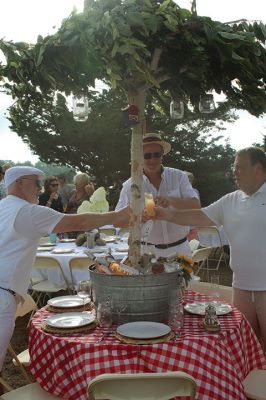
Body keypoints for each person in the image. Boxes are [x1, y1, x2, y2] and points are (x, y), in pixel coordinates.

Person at [0, 166, 129, 381]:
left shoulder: (3, 207)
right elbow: (78, 222)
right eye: (36, 183)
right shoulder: (26, 211)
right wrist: (117, 216)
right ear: (20, 184)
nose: (40, 189)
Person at [149, 147, 266, 350]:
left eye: (239, 168)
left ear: (257, 169)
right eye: (234, 168)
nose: (234, 173)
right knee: (247, 347)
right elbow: (198, 216)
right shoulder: (231, 200)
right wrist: (165, 214)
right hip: (241, 287)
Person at [116, 133, 200, 257]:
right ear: (139, 157)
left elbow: (195, 205)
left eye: (157, 155)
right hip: (147, 253)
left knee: (185, 277)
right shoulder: (130, 185)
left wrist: (170, 200)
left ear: (162, 155)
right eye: (147, 156)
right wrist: (138, 218)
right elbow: (118, 221)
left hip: (181, 250)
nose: (152, 160)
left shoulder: (179, 176)